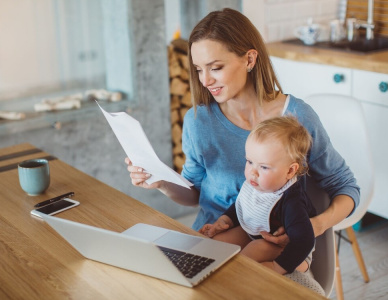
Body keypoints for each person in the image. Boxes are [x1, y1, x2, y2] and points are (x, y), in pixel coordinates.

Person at [125, 8, 359, 250]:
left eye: (215, 67)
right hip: (209, 239)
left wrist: (316, 225)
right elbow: (194, 195)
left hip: (270, 250)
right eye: (198, 69)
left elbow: (345, 186)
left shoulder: (298, 117)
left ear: (249, 59)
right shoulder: (198, 121)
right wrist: (161, 182)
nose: (205, 81)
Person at [200, 116, 315, 277]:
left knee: (253, 251)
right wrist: (225, 220)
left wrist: (277, 267)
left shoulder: (291, 201)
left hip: (293, 252)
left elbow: (304, 241)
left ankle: (231, 280)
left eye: (264, 167)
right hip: (255, 235)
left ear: (290, 171)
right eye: (249, 162)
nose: (253, 172)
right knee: (218, 242)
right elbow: (243, 204)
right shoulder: (258, 182)